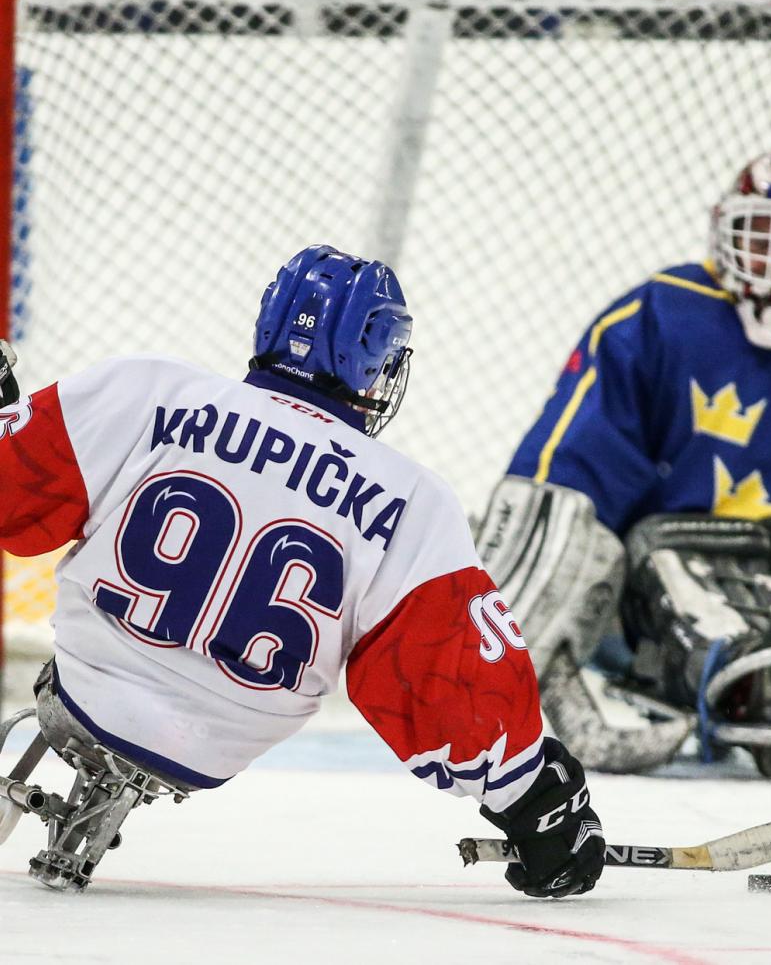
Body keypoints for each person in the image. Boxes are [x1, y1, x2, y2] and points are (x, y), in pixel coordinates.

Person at [0, 245, 604, 895]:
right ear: (376, 357)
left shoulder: (145, 387)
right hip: (213, 747)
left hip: (80, 695)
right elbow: (446, 678)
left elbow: (15, 495)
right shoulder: (411, 499)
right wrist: (529, 791)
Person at [476, 144, 771, 778]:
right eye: (765, 237)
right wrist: (529, 639)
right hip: (649, 591)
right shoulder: (664, 315)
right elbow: (565, 482)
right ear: (725, 232)